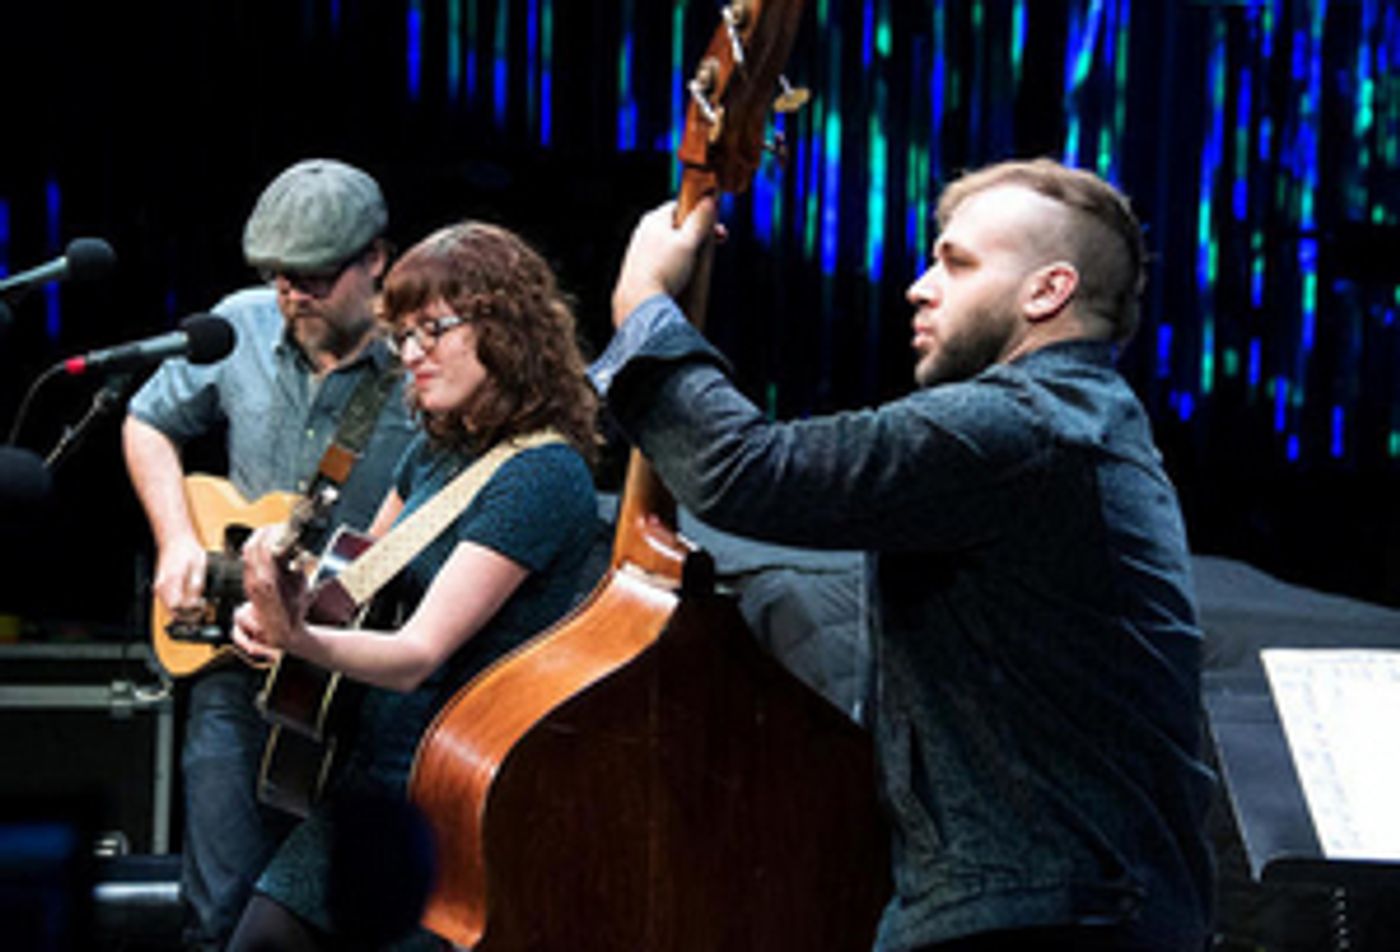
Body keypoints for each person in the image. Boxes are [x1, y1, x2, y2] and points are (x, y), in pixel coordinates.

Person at [593, 158, 1215, 950]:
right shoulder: (1077, 425)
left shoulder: (1029, 427)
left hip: (1050, 917)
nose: (919, 286)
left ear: (1047, 291)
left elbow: (746, 472)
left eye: (956, 263)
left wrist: (640, 299)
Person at [225, 220, 600, 949]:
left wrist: (301, 637)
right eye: (403, 336)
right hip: (368, 785)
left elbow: (417, 652)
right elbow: (356, 587)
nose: (412, 355)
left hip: (447, 802)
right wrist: (284, 610)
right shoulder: (438, 452)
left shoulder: (542, 475)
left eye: (433, 330)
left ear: (505, 327)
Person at [123, 158, 417, 949]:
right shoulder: (243, 323)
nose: (293, 296)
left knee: (360, 919)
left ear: (376, 260)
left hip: (364, 677)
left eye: (315, 277)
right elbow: (147, 422)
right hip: (232, 666)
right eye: (282, 277)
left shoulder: (422, 359)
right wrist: (178, 539)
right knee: (218, 916)